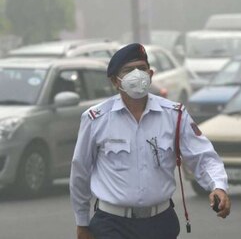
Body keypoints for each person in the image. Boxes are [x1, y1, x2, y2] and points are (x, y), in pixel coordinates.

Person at [70, 43, 231, 239]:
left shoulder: (174, 115)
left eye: (142, 68)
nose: (137, 75)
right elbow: (80, 172)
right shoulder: (96, 119)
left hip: (160, 223)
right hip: (112, 225)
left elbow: (202, 156)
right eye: (129, 70)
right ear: (115, 81)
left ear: (151, 74)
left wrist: (218, 187)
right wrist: (82, 222)